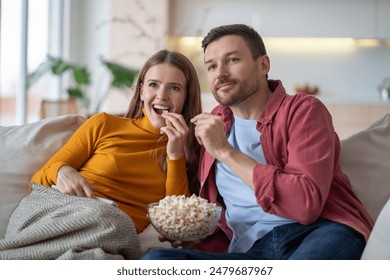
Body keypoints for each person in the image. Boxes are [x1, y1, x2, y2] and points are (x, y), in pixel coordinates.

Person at [141, 24, 373, 260]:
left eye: (232, 60)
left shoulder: (303, 110)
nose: (220, 73)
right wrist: (194, 231)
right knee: (155, 261)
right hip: (250, 252)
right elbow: (210, 208)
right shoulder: (213, 122)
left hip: (315, 232)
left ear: (263, 64)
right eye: (211, 66)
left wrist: (225, 151)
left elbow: (306, 205)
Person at [0, 50, 202, 260]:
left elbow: (176, 222)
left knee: (103, 258)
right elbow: (39, 179)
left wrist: (175, 153)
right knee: (113, 224)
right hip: (55, 210)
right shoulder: (104, 123)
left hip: (109, 236)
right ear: (141, 91)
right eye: (153, 84)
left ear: (186, 97)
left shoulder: (188, 153)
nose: (162, 95)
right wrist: (62, 170)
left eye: (175, 88)